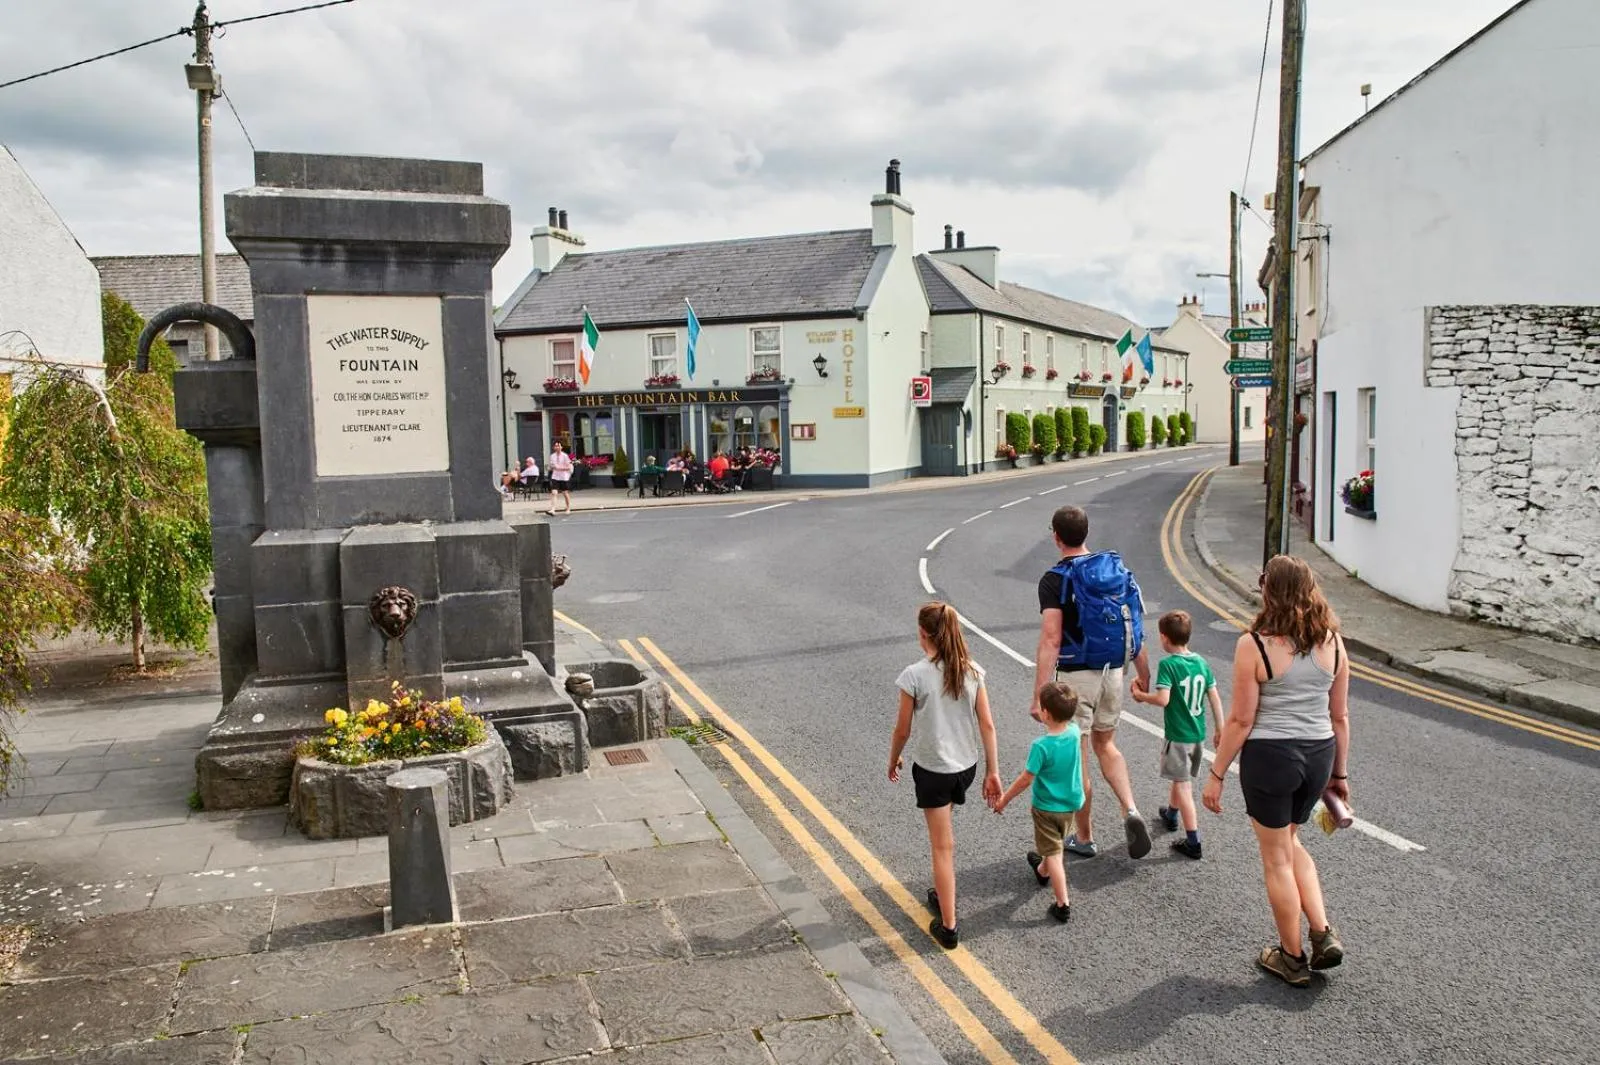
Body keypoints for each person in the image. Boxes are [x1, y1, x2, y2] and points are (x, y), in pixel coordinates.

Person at [1203, 555, 1350, 988]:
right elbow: (1339, 716)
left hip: (1271, 757)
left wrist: (1216, 773)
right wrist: (1339, 775)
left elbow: (1242, 721)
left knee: (1276, 860)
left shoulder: (1255, 644)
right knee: (1291, 841)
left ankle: (1291, 956)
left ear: (1270, 590)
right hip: (1319, 754)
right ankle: (1322, 933)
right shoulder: (1335, 642)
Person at [1032, 505, 1153, 859]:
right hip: (1114, 671)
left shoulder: (1055, 579)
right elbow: (1134, 627)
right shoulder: (1115, 570)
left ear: (1056, 536)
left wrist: (1041, 694)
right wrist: (1144, 674)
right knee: (1107, 746)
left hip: (1075, 677)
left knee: (1078, 754)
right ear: (1086, 533)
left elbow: (1051, 639)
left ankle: (1084, 837)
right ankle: (1130, 809)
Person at [888, 602, 1002, 950]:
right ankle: (942, 891)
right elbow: (988, 725)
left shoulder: (915, 675)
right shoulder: (972, 671)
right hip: (965, 769)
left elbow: (902, 730)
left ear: (924, 634)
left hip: (933, 771)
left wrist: (893, 759)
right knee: (945, 835)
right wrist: (993, 771)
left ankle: (949, 926)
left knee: (942, 847)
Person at [1130, 610, 1224, 859]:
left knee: (1183, 785)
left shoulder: (1168, 665)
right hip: (1198, 735)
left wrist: (1141, 696)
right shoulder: (1201, 663)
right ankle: (1171, 815)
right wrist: (1220, 729)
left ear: (1164, 638)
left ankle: (1193, 840)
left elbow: (1163, 699)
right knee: (1179, 777)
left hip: (1178, 735)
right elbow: (1214, 696)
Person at [992, 681, 1084, 923]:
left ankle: (1062, 903)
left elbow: (1026, 779)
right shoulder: (1075, 732)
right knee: (1054, 843)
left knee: (1055, 853)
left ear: (1045, 713)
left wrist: (1004, 800)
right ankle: (1042, 870)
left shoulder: (1041, 746)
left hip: (1047, 806)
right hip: (1071, 801)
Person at [547, 441, 574, 515]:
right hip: (555, 476)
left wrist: (559, 468)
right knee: (554, 493)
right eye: (555, 446)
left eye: (558, 446)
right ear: (554, 447)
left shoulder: (565, 456)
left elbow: (568, 467)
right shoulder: (552, 456)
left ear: (561, 447)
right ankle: (553, 509)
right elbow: (551, 466)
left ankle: (568, 508)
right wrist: (551, 467)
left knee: (565, 492)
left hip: (564, 477)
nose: (557, 447)